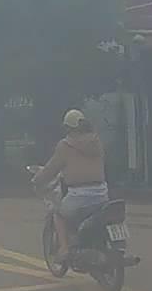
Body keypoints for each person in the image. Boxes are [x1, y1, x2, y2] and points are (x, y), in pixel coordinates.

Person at [31, 109, 108, 263]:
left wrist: (37, 180)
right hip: (102, 193)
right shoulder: (96, 142)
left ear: (67, 127)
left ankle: (64, 249)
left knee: (58, 213)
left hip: (79, 195)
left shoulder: (65, 145)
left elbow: (51, 169)